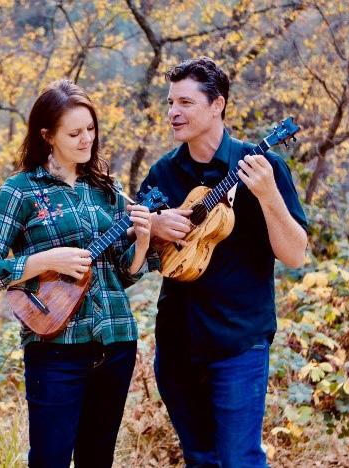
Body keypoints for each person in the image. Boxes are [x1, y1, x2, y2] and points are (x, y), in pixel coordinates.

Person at [0, 79, 157, 468]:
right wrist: (45, 261)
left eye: (90, 129)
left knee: (97, 460)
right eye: (74, 133)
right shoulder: (21, 190)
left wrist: (142, 243)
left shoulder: (106, 189)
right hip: (55, 349)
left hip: (116, 340)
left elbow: (122, 275)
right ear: (47, 135)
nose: (86, 139)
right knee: (49, 460)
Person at [138, 57, 308, 467]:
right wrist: (154, 226)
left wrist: (268, 195)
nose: (173, 112)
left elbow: (295, 255)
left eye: (185, 102)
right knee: (199, 458)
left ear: (218, 105)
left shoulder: (262, 167)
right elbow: (135, 259)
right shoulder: (163, 173)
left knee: (239, 460)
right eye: (170, 102)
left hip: (238, 342)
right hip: (177, 343)